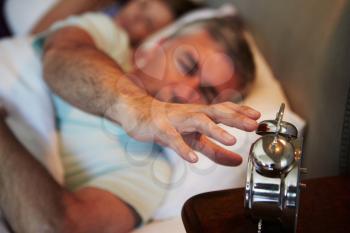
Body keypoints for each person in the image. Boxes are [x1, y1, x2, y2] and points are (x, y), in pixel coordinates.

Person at [0, 13, 260, 233]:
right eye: (187, 66)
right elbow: (59, 59)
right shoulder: (107, 37)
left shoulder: (149, 171)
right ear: (159, 44)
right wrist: (138, 108)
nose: (185, 91)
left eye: (206, 93)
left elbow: (56, 227)